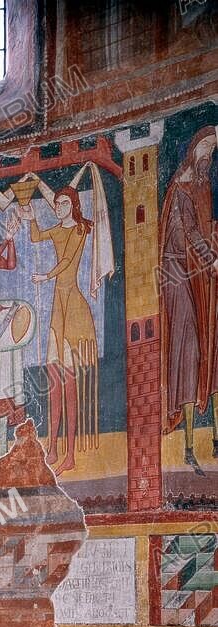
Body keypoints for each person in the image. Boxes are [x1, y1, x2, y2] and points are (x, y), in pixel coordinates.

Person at [20, 186, 98, 475]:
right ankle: (51, 448)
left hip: (74, 309)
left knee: (69, 384)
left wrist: (45, 276)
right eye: (56, 202)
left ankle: (70, 454)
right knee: (54, 380)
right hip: (57, 309)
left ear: (74, 204)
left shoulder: (79, 230)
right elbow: (36, 237)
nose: (59, 206)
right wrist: (30, 217)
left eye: (64, 202)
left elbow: (66, 262)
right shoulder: (56, 228)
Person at [159, 126, 217, 475]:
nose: (207, 165)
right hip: (177, 277)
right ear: (193, 155)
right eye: (204, 158)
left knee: (210, 352)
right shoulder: (181, 191)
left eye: (211, 160)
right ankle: (189, 445)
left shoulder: (201, 187)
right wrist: (211, 259)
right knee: (190, 353)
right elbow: (190, 232)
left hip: (199, 278)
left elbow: (206, 227)